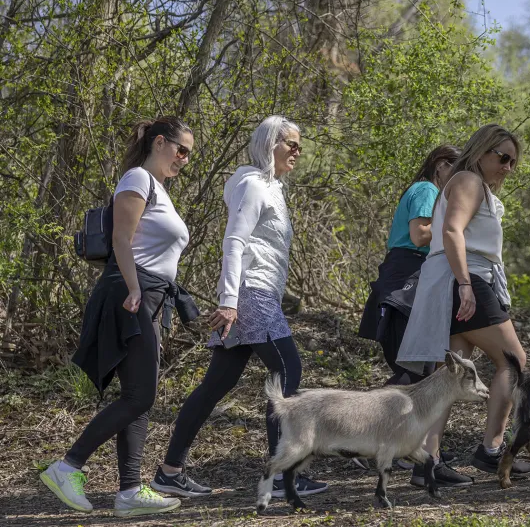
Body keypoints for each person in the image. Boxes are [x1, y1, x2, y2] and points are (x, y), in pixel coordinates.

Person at [150, 116, 327, 499]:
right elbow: (235, 242)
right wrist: (229, 302)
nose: (297, 150)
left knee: (217, 383)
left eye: (299, 145)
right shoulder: (251, 184)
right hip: (250, 294)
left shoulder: (271, 187)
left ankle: (169, 471)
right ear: (268, 144)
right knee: (287, 370)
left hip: (256, 293)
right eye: (290, 144)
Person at [41, 117, 198, 517]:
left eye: (190, 155)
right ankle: (67, 466)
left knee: (138, 396)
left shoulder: (160, 188)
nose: (184, 159)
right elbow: (120, 240)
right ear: (159, 142)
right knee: (140, 395)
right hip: (132, 292)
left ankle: (129, 491)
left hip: (151, 296)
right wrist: (133, 288)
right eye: (181, 149)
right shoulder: (137, 179)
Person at [396, 124, 530, 487]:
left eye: (513, 162)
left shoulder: (470, 185)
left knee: (450, 377)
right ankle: (492, 448)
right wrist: (466, 285)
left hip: (456, 280)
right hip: (465, 278)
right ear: (481, 151)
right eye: (502, 157)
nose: (507, 166)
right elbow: (452, 232)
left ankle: (428, 462)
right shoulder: (469, 182)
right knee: (513, 361)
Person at [359, 144, 461, 385]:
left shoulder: (426, 191)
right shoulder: (427, 189)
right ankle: (368, 418)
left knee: (419, 373)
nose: (460, 178)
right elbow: (420, 235)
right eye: (457, 170)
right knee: (414, 374)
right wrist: (458, 230)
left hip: (406, 275)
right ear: (440, 165)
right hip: (407, 276)